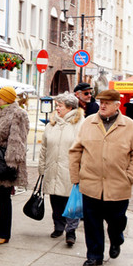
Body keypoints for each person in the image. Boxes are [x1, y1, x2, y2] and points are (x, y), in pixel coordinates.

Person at [69, 89, 133, 266]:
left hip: (118, 186)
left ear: (117, 105)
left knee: (116, 221)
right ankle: (94, 255)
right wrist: (76, 176)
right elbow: (76, 151)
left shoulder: (130, 126)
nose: (102, 105)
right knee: (92, 222)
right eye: (101, 102)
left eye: (107, 103)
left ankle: (116, 239)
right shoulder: (89, 122)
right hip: (91, 184)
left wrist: (131, 176)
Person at [0, 86, 29, 245]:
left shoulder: (18, 113)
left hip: (5, 162)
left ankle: (4, 233)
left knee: (4, 198)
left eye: (1, 96)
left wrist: (11, 162)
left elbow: (17, 140)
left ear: (8, 98)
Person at [38, 92, 83, 246]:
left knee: (71, 201)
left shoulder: (80, 124)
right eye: (56, 105)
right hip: (52, 167)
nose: (56, 108)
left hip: (70, 169)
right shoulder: (52, 125)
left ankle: (71, 231)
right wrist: (42, 167)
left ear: (70, 107)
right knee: (55, 199)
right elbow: (44, 147)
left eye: (60, 106)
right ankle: (58, 226)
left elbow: (84, 148)